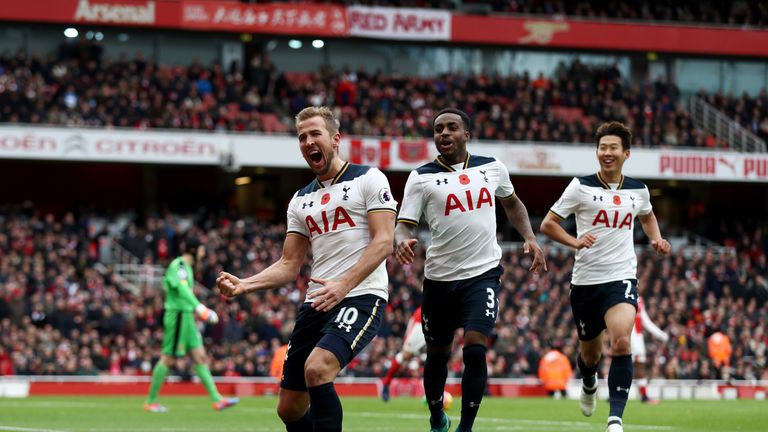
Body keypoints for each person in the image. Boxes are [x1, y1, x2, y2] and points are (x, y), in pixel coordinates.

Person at [216, 106, 397, 432]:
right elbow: (289, 265)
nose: (308, 141)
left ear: (335, 139)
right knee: (289, 408)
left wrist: (344, 285)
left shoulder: (368, 178)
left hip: (360, 295)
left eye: (315, 134)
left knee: (318, 369)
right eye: (302, 137)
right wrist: (245, 284)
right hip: (316, 302)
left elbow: (384, 242)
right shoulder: (300, 200)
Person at [395, 108, 546, 432]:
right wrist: (402, 240)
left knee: (476, 347)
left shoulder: (492, 167)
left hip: (483, 274)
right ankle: (437, 414)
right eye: (438, 129)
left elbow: (512, 203)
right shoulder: (420, 177)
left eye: (451, 127)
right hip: (439, 280)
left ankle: (465, 428)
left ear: (466, 134)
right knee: (437, 356)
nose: (444, 133)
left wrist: (530, 238)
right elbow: (404, 224)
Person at [540, 121, 671, 432]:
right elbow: (548, 224)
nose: (607, 152)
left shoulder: (638, 190)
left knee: (623, 342)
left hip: (622, 276)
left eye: (613, 148)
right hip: (585, 281)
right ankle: (588, 382)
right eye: (602, 148)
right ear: (597, 152)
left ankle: (615, 420)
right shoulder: (580, 186)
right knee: (590, 355)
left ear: (626, 153)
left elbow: (648, 215)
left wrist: (656, 238)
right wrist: (574, 242)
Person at [144, 236, 239, 413]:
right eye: (201, 249)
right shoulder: (178, 265)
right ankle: (150, 401)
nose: (203, 253)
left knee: (200, 357)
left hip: (186, 316)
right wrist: (199, 308)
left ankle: (217, 400)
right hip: (179, 316)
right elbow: (181, 289)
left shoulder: (186, 267)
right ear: (194, 250)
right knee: (168, 358)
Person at [380, 306, 426, 401]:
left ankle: (434, 394)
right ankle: (386, 383)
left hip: (440, 321)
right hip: (422, 319)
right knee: (405, 355)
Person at [632, 296, 669, 403]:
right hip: (629, 338)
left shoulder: (639, 299)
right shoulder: (624, 294)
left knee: (638, 366)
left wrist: (661, 335)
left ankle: (643, 396)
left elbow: (645, 321)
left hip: (637, 338)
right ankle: (615, 393)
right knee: (626, 365)